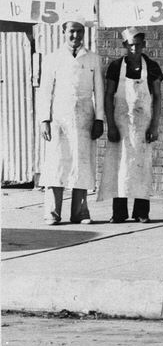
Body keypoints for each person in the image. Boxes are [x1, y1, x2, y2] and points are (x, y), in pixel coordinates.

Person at [37, 19, 105, 225]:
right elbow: (45, 91)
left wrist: (99, 119)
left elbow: (99, 91)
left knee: (81, 163)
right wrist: (44, 120)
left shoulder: (93, 59)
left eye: (80, 32)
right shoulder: (52, 59)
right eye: (72, 32)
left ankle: (80, 212)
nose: (76, 36)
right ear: (63, 32)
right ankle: (52, 212)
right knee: (56, 164)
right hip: (59, 117)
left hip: (85, 116)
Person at [103, 27, 162, 223]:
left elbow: (157, 97)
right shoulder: (115, 66)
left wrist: (154, 125)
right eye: (130, 45)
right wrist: (110, 125)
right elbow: (108, 95)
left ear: (144, 45)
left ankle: (141, 212)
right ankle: (119, 212)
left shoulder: (152, 67)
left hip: (143, 124)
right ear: (124, 46)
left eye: (138, 45)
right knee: (120, 167)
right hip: (121, 124)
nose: (134, 48)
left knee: (142, 166)